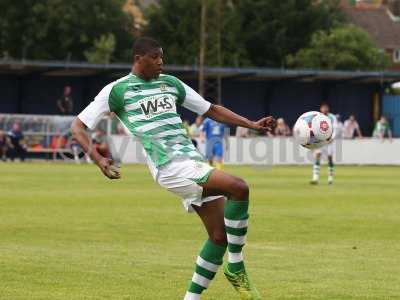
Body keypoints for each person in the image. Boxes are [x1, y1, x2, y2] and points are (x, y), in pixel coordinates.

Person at [71, 37, 276, 300]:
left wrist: (252, 124)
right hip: (168, 165)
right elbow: (77, 127)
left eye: (161, 57)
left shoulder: (170, 84)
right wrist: (99, 160)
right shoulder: (117, 90)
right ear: (138, 59)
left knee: (218, 236)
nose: (161, 62)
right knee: (238, 187)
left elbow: (211, 109)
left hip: (192, 161)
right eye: (155, 57)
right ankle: (236, 266)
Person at [311, 103, 337, 185]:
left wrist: (332, 138)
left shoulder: (332, 117)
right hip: (320, 141)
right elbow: (313, 128)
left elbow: (335, 128)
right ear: (321, 109)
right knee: (317, 155)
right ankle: (315, 178)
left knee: (330, 158)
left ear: (328, 109)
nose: (325, 109)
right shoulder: (317, 117)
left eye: (326, 108)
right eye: (323, 108)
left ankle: (330, 178)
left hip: (329, 141)